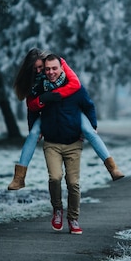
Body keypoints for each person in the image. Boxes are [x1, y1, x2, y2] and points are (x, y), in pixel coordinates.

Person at [7, 48, 124, 190]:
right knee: (32, 135)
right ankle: (19, 178)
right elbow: (31, 108)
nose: (39, 71)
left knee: (90, 131)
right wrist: (41, 104)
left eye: (41, 67)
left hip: (73, 112)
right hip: (48, 116)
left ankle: (112, 168)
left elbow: (82, 95)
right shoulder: (35, 84)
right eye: (35, 68)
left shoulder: (62, 74)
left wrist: (93, 124)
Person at [30, 53, 96, 234]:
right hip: (51, 143)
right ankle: (57, 209)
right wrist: (33, 130)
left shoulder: (75, 89)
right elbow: (32, 109)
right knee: (55, 177)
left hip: (73, 143)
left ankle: (73, 219)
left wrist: (92, 127)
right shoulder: (42, 88)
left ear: (61, 68)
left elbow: (89, 106)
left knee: (73, 183)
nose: (51, 72)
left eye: (54, 68)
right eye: (47, 69)